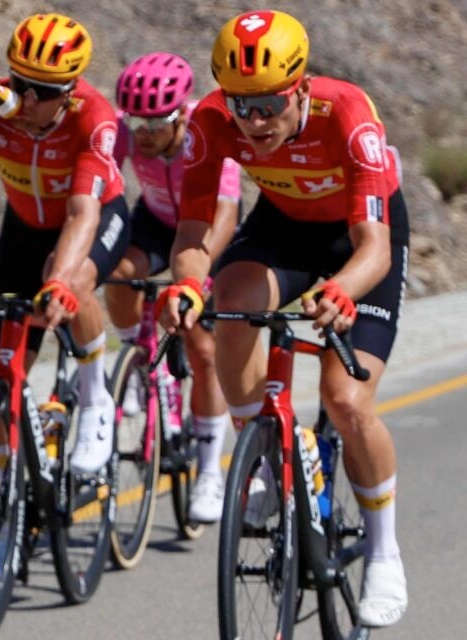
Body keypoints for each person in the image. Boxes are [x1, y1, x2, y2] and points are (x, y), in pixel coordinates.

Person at [159, 9, 409, 627]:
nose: (256, 121)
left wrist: (347, 289)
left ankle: (384, 553)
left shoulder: (347, 114)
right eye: (242, 106)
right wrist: (187, 283)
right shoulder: (211, 121)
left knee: (346, 400)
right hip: (283, 227)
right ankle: (271, 454)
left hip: (359, 237)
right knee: (231, 295)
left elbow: (373, 246)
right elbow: (193, 228)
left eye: (270, 104)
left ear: (299, 89)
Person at [0, 13, 129, 475]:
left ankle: (95, 397)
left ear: (68, 92)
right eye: (20, 82)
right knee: (3, 371)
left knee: (69, 280)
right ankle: (14, 504)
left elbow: (83, 214)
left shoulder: (93, 119)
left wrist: (61, 281)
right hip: (22, 226)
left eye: (41, 92)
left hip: (94, 215)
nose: (24, 99)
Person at [106, 51, 242, 523]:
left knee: (204, 351)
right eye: (135, 123)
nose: (142, 134)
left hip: (208, 230)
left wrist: (197, 277)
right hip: (158, 220)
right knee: (118, 274)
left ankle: (209, 469)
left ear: (181, 114)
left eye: (154, 125)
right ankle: (138, 364)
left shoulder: (204, 137)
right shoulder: (131, 132)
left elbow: (224, 214)